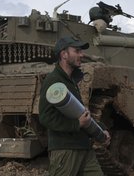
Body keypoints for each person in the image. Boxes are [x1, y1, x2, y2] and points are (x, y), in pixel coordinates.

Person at [39, 36, 111, 176]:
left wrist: (101, 129)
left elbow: (81, 114)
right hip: (66, 149)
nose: (82, 55)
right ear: (64, 54)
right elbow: (45, 117)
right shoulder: (54, 81)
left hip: (83, 148)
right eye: (77, 51)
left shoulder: (71, 81)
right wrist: (76, 124)